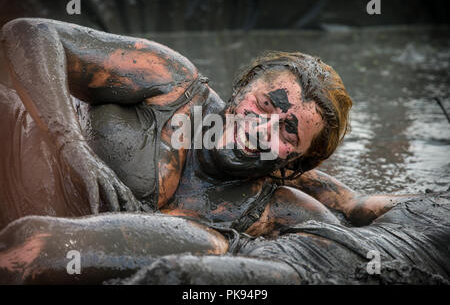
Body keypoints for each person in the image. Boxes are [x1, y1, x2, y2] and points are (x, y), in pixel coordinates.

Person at [2, 18, 440, 284]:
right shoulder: (172, 85)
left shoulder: (273, 208)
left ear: (296, 161)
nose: (260, 128)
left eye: (287, 133)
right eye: (264, 105)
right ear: (241, 88)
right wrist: (69, 142)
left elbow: (346, 237)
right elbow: (30, 34)